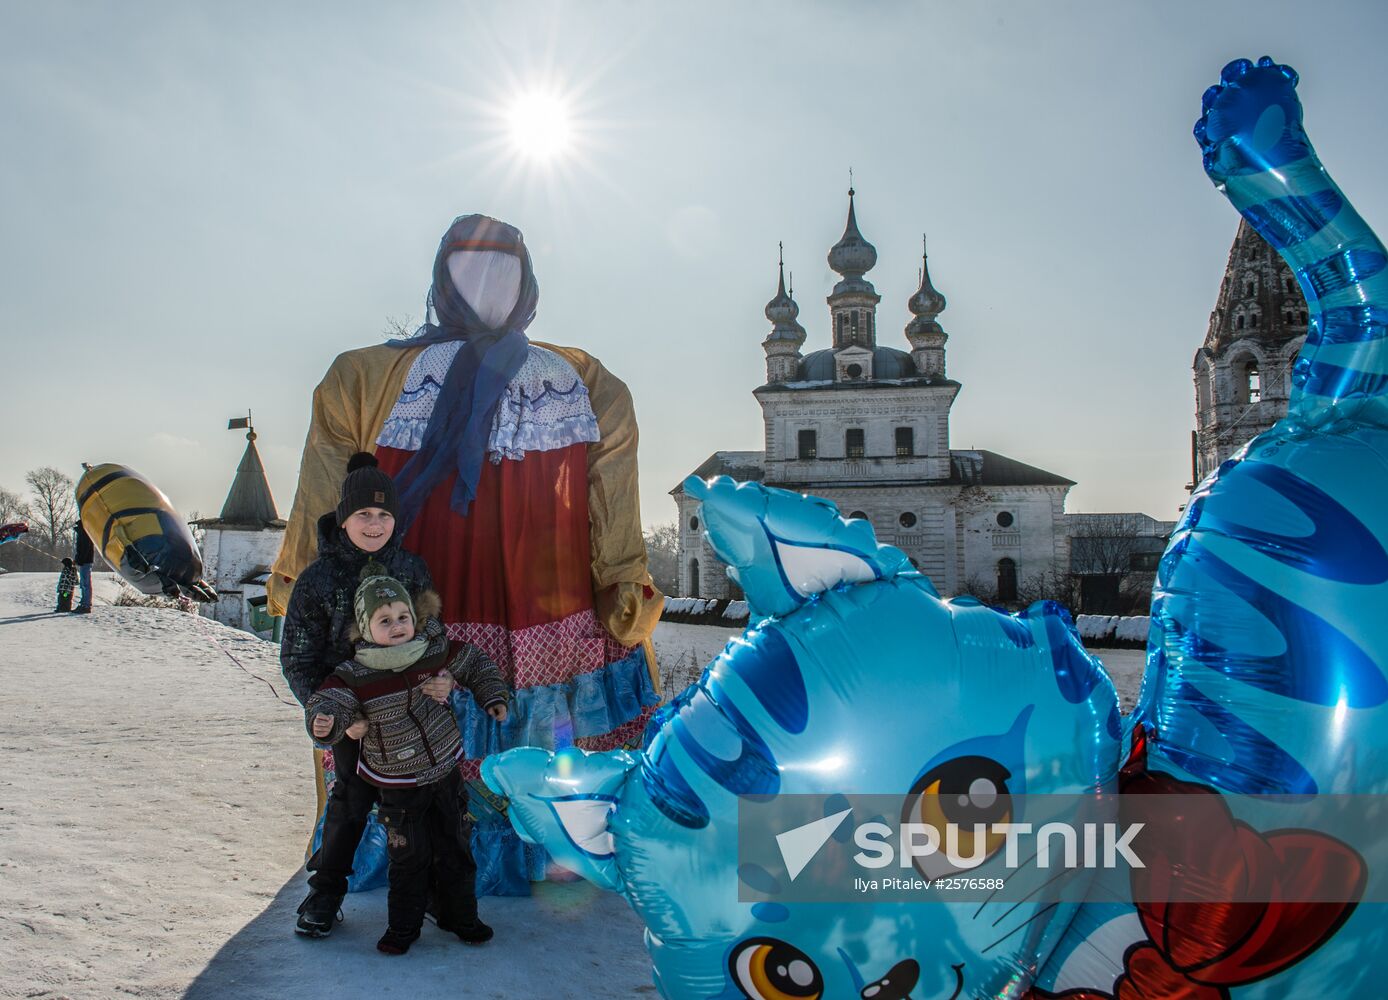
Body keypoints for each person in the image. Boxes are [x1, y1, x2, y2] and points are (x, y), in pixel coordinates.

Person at [270, 214, 665, 895]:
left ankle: (547, 838)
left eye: (504, 268)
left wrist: (622, 579)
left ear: (529, 281)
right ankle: (405, 846)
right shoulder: (365, 376)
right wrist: (306, 576)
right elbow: (326, 495)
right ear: (441, 279)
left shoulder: (585, 381)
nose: (487, 284)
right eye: (468, 268)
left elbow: (612, 494)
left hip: (549, 598)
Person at [280, 453, 451, 938]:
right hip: (353, 712)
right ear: (344, 517)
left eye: (383, 514)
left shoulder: (411, 569)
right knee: (351, 799)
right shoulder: (319, 580)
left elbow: (434, 637)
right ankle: (326, 890)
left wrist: (442, 678)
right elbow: (298, 659)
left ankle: (435, 888)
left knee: (426, 799)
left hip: (413, 710)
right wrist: (336, 717)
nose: (373, 524)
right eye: (363, 515)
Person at [307, 571, 508, 955]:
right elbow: (328, 701)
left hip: (445, 772)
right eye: (385, 620)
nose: (398, 626)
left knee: (456, 849)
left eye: (403, 616)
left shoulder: (432, 650)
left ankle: (460, 917)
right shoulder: (356, 674)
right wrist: (326, 722)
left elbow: (476, 663)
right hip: (397, 785)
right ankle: (403, 928)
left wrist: (492, 695)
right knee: (407, 858)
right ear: (366, 630)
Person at [72, 522, 93, 613]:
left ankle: (86, 605)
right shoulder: (84, 533)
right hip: (84, 561)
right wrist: (77, 559)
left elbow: (84, 549)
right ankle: (84, 603)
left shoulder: (85, 534)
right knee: (83, 583)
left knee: (85, 584)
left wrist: (79, 560)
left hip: (86, 562)